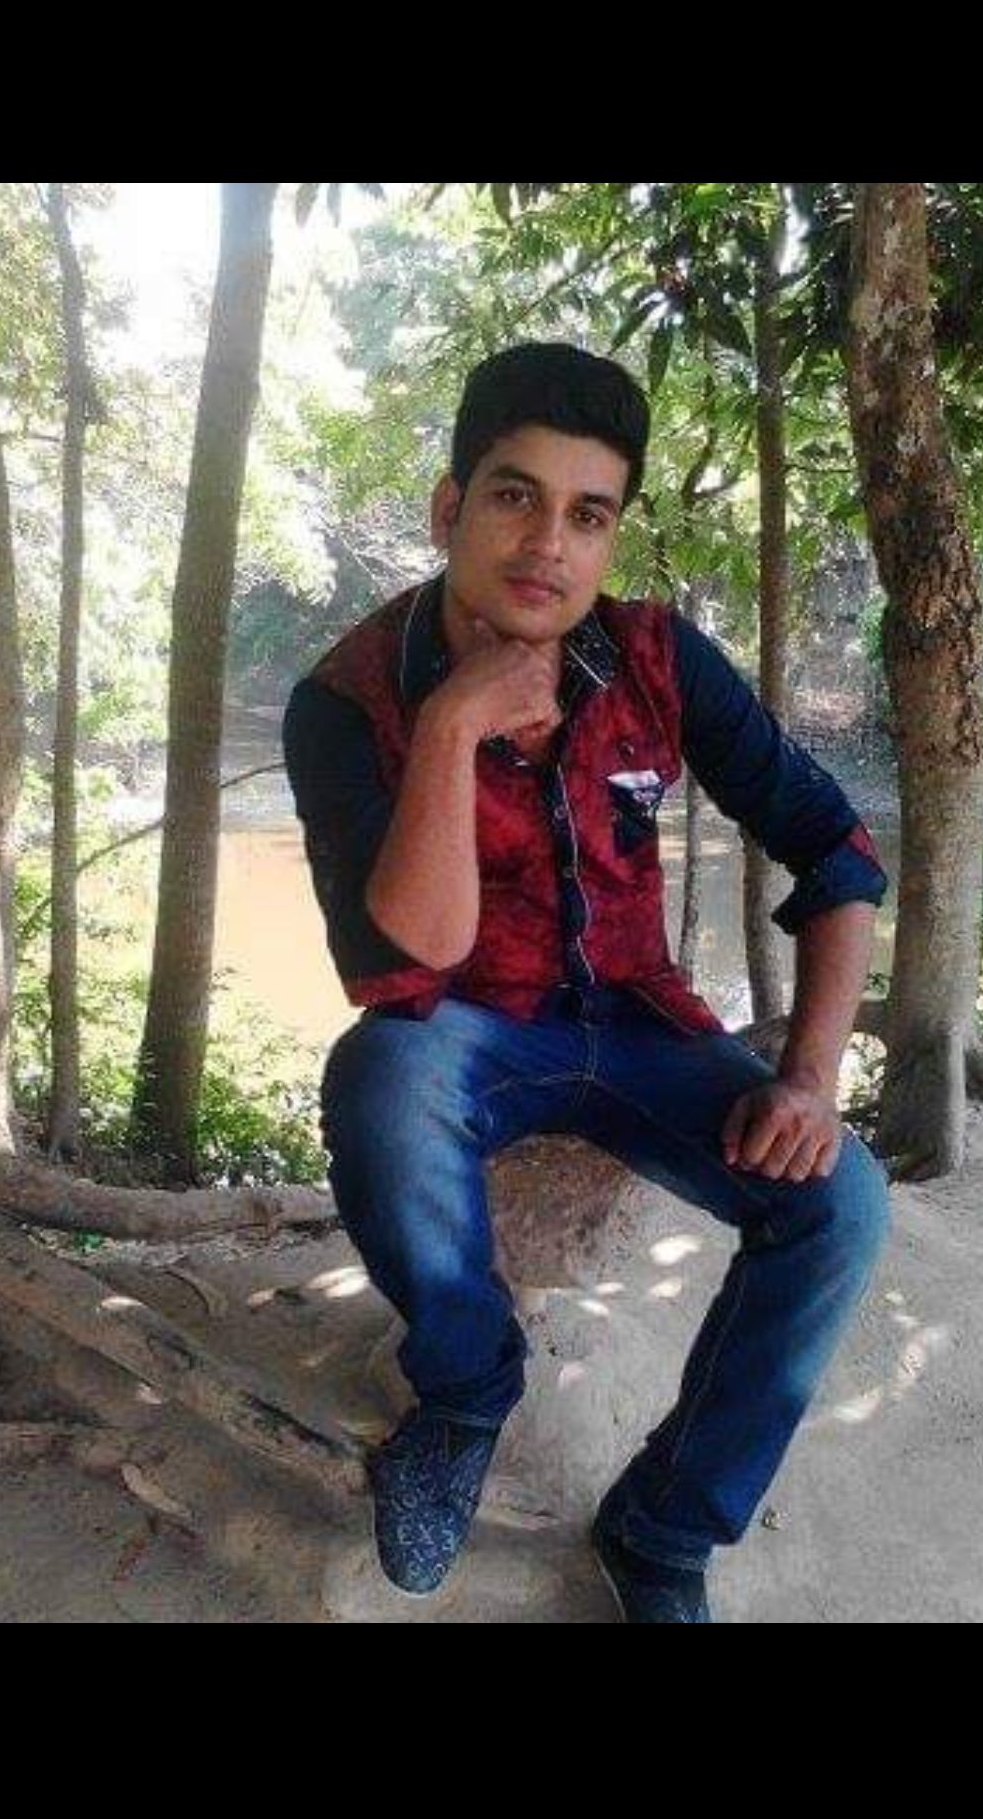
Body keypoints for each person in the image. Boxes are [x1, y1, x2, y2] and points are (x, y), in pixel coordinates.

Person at [282, 342, 891, 1623]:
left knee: (841, 1203)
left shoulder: (658, 659)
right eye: (515, 496)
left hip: (640, 1022)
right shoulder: (345, 701)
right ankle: (465, 1393)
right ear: (449, 507)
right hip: (463, 1028)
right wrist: (452, 724)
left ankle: (663, 1532)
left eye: (589, 514)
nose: (547, 545)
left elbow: (837, 854)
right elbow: (404, 964)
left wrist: (810, 1078)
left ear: (613, 535)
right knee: (377, 1080)